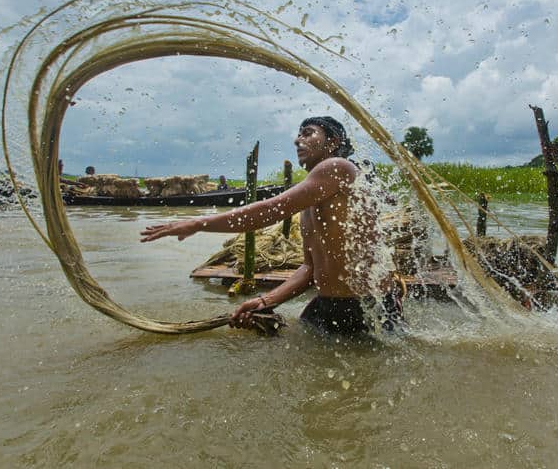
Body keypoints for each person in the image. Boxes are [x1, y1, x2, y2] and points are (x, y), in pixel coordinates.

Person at [140, 116, 402, 336]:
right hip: (328, 305)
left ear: (332, 143)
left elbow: (270, 211)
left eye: (308, 134)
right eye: (298, 135)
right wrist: (265, 301)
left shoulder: (337, 168)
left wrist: (198, 223)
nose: (298, 140)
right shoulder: (313, 200)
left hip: (366, 307)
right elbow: (310, 268)